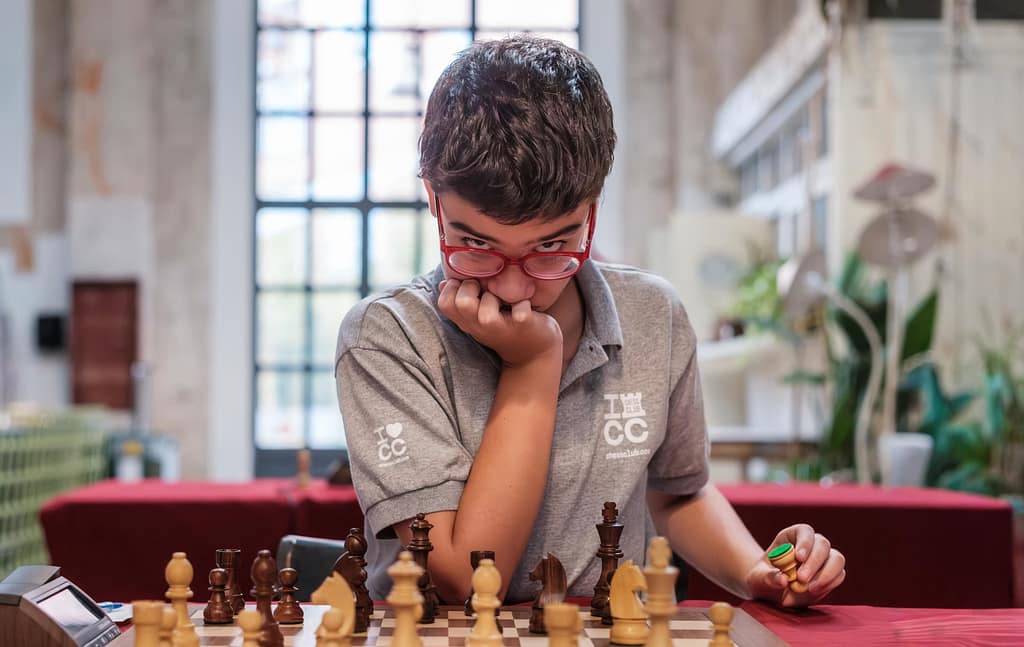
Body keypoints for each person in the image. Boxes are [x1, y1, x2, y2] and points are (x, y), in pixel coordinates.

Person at [335, 35, 845, 606]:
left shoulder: (655, 315)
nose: (513, 285)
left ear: (593, 209)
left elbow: (679, 495)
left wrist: (757, 571)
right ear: (433, 200)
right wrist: (532, 364)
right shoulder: (388, 337)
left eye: (552, 245)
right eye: (474, 243)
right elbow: (465, 579)